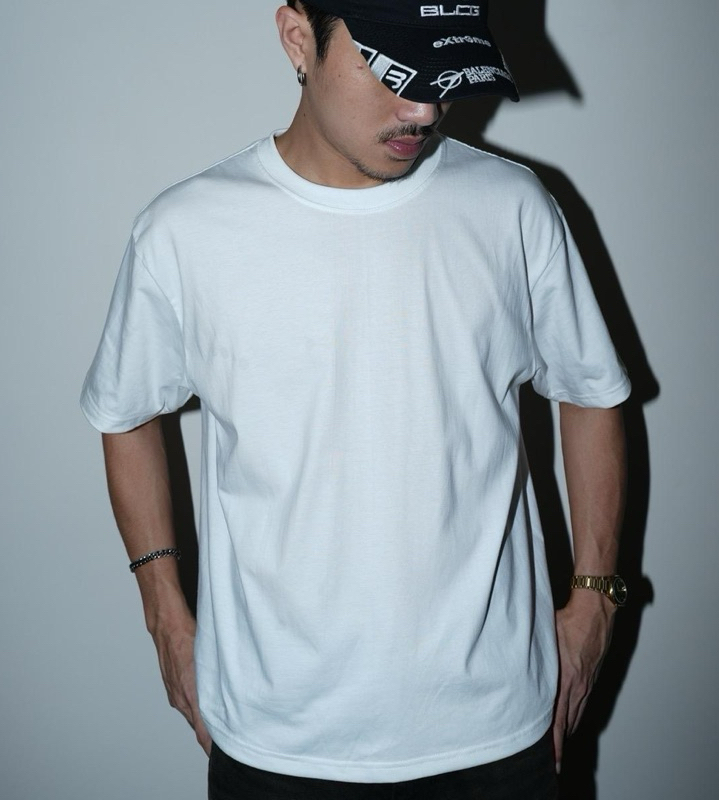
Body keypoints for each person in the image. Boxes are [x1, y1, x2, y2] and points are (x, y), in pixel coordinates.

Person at [81, 2, 630, 797]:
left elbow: (590, 392)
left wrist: (596, 600)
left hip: (498, 733)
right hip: (277, 744)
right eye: (394, 71)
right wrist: (164, 613)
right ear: (298, 39)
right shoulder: (185, 232)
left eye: (443, 72)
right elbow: (125, 412)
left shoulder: (511, 208)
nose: (425, 108)